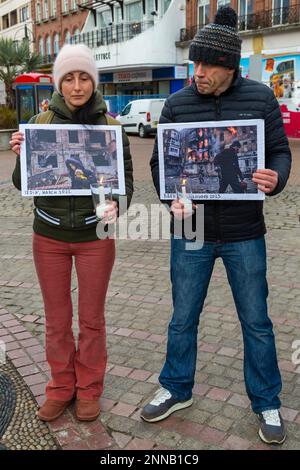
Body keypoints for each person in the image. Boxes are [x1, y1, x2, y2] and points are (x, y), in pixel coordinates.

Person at [142, 6, 291, 445]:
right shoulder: (176, 103)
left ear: (230, 67)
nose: (198, 71)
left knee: (257, 321)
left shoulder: (261, 99)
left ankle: (266, 400)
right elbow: (158, 163)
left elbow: (280, 152)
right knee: (183, 317)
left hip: (245, 230)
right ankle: (175, 387)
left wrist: (275, 177)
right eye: (195, 62)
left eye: (207, 64)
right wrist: (172, 199)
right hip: (193, 229)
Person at [10, 44, 133, 423]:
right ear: (58, 83)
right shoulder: (39, 123)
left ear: (92, 82)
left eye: (83, 78)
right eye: (69, 78)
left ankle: (89, 388)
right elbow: (22, 184)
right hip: (48, 236)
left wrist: (118, 206)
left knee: (92, 320)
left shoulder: (112, 127)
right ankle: (61, 386)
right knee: (56, 319)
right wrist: (20, 156)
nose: (77, 86)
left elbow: (125, 186)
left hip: (95, 237)